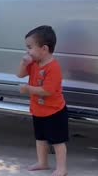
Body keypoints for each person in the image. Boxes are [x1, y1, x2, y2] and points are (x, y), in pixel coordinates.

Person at [17, 25, 68, 176]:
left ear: (44, 49)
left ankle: (62, 168)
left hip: (55, 111)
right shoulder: (33, 63)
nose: (27, 51)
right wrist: (23, 63)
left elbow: (47, 90)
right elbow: (19, 75)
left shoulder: (53, 67)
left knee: (58, 142)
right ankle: (42, 162)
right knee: (40, 138)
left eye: (30, 47)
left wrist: (28, 89)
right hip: (38, 110)